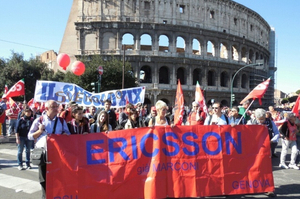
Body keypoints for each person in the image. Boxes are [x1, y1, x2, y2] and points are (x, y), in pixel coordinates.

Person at [28, 100, 70, 199]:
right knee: (43, 179)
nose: (56, 109)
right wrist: (39, 131)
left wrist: (65, 135)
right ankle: (45, 197)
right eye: (53, 107)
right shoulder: (39, 120)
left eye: (57, 106)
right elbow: (30, 136)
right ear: (46, 109)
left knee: (58, 177)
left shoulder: (61, 121)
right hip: (43, 153)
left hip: (57, 154)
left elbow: (68, 134)